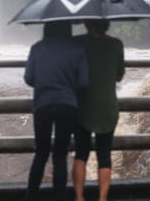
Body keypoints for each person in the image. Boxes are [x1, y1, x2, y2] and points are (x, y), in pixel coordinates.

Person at [24, 21, 89, 201]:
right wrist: (67, 86)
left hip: (43, 104)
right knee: (61, 154)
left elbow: (29, 78)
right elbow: (83, 83)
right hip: (68, 105)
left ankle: (31, 196)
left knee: (41, 152)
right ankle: (59, 196)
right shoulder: (77, 49)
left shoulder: (37, 48)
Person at [71, 19, 125, 201]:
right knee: (104, 155)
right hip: (107, 107)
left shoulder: (77, 43)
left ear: (86, 23)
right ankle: (102, 199)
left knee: (81, 153)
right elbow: (119, 75)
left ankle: (79, 197)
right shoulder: (116, 44)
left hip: (82, 105)